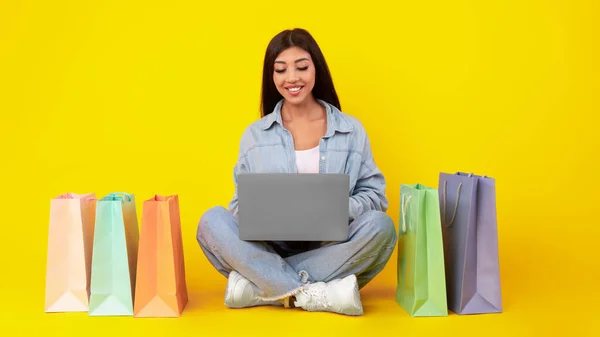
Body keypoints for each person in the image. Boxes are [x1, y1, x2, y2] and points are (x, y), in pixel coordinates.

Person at [196, 28, 396, 316]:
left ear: (316, 68)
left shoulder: (351, 130)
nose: (292, 78)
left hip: (331, 246)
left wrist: (334, 208)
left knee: (381, 227)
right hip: (269, 247)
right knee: (212, 221)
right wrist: (265, 213)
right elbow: (239, 207)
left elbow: (375, 197)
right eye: (281, 70)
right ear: (271, 76)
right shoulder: (255, 135)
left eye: (301, 67)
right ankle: (312, 293)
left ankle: (262, 287)